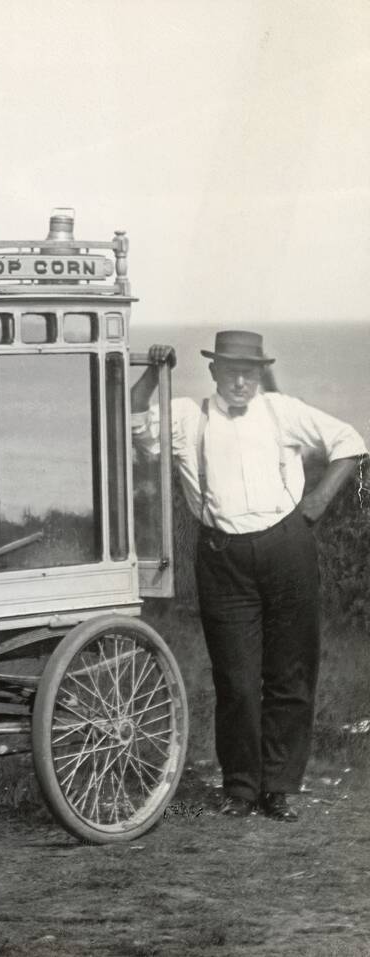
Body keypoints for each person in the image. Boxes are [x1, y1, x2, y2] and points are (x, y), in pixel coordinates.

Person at [131, 330, 366, 822]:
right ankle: (240, 788)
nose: (241, 380)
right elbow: (132, 424)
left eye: (250, 371)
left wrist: (316, 505)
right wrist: (152, 376)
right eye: (231, 370)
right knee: (236, 679)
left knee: (290, 674)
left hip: (288, 549)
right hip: (222, 557)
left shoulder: (283, 411)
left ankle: (279, 787)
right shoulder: (187, 415)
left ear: (260, 373)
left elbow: (350, 442)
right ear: (214, 371)